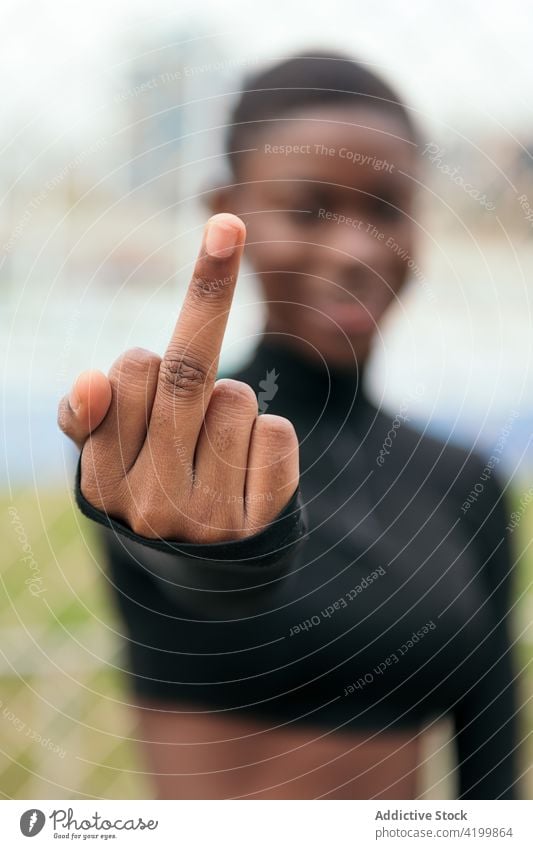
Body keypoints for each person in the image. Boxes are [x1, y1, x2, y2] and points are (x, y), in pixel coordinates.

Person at [57, 51, 519, 799]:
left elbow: (491, 777)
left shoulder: (463, 483)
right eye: (307, 210)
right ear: (225, 210)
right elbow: (206, 569)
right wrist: (224, 541)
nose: (357, 249)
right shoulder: (172, 455)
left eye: (388, 208)